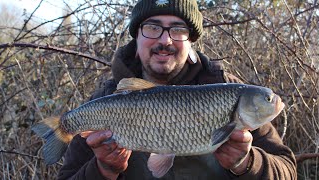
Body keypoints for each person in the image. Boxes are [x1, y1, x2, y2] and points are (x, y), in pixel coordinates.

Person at [57, 0, 297, 179]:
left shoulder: (229, 90)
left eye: (178, 29)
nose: (165, 40)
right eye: (152, 27)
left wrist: (247, 162)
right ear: (136, 36)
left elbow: (288, 171)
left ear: (191, 40)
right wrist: (104, 170)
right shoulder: (106, 99)